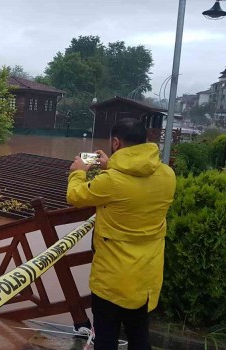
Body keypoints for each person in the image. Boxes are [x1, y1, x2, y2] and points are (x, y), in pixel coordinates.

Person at [66, 118, 176, 349]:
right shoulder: (167, 175)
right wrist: (110, 165)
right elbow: (134, 187)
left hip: (113, 279)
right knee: (139, 335)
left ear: (115, 142)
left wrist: (78, 172)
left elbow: (76, 196)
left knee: (106, 338)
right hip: (146, 277)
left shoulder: (111, 181)